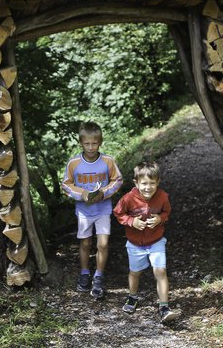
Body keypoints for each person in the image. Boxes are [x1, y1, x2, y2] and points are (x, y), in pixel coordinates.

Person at [62, 121, 123, 299]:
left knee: (103, 243)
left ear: (100, 142)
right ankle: (84, 272)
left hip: (103, 208)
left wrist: (104, 192)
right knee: (85, 244)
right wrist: (82, 194)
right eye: (87, 143)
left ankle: (99, 276)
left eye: (94, 143)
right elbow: (66, 185)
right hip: (83, 211)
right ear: (81, 142)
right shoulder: (74, 163)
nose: (90, 147)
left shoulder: (108, 161)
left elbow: (117, 180)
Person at [113, 161, 179, 324]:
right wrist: (131, 221)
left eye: (152, 183)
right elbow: (118, 213)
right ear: (136, 183)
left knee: (160, 272)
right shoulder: (128, 198)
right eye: (144, 183)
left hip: (156, 241)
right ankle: (132, 297)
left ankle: (164, 307)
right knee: (135, 272)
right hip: (135, 244)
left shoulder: (162, 196)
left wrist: (159, 219)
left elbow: (166, 212)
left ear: (158, 182)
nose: (148, 187)